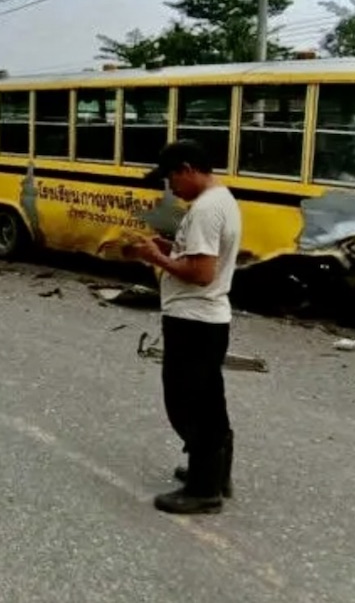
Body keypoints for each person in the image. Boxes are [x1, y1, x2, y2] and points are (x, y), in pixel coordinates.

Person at [130, 139, 242, 515]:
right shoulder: (221, 199)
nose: (171, 189)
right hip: (208, 320)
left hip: (193, 319)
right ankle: (213, 473)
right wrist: (170, 246)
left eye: (171, 179)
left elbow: (201, 273)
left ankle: (203, 490)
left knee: (187, 404)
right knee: (210, 400)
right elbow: (200, 257)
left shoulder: (206, 210)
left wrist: (156, 257)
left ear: (187, 169)